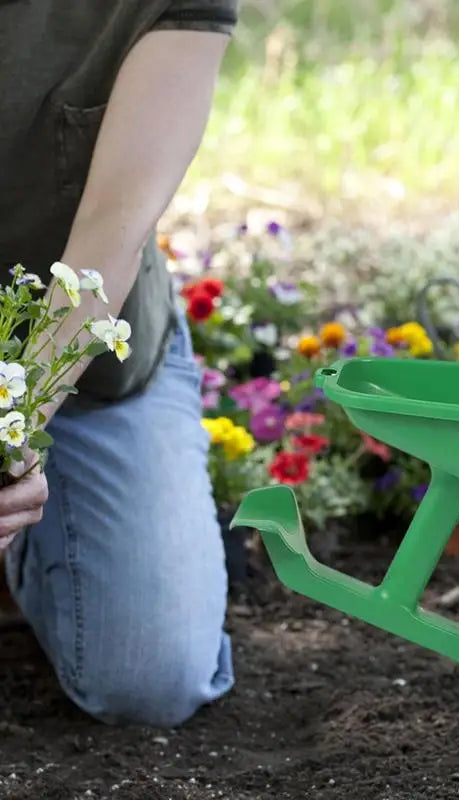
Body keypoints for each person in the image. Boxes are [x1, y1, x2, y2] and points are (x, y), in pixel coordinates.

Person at [0, 2, 239, 727]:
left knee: (148, 678)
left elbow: (111, 232)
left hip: (78, 360)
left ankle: (30, 541)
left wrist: (7, 441)